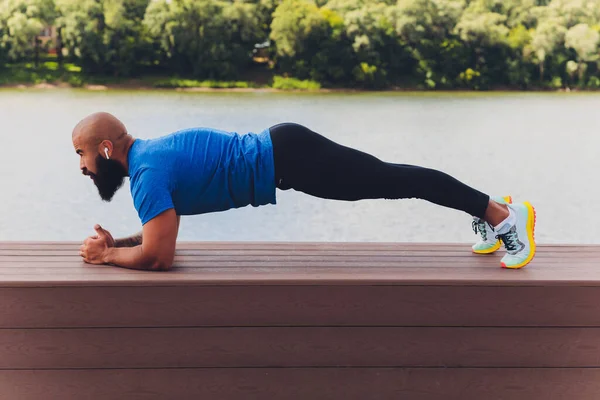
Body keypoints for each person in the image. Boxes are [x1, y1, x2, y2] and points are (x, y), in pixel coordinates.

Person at [73, 112, 536, 271]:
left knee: (396, 180)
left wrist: (104, 257)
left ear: (107, 149)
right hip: (287, 151)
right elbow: (159, 234)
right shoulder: (149, 160)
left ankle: (501, 215)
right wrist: (120, 242)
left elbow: (160, 258)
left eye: (82, 155)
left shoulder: (148, 174)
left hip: (291, 158)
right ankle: (489, 210)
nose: (82, 167)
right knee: (393, 179)